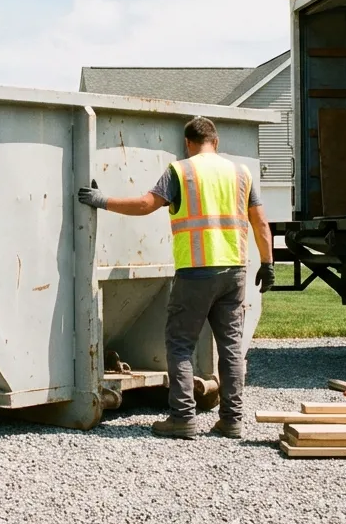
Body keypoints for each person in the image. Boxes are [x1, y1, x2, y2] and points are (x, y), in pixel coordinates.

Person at [76, 115, 273, 440]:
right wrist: (267, 264)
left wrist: (102, 201)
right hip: (235, 271)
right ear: (216, 141)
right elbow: (261, 222)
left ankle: (183, 418)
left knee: (180, 345)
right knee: (232, 348)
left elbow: (144, 205)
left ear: (188, 143)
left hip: (196, 271)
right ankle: (232, 420)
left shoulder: (181, 171)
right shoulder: (241, 173)